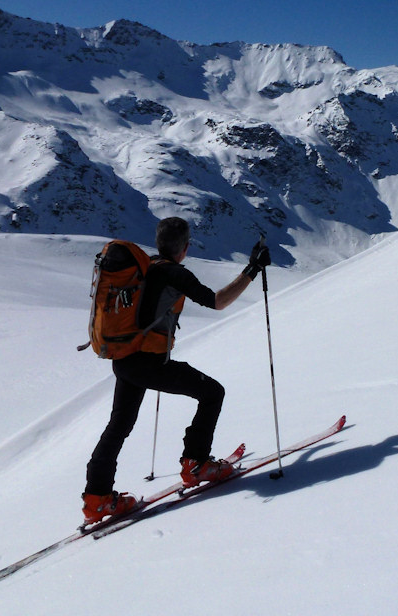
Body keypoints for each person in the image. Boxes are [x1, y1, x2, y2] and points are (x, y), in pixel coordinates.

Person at [81, 217, 271, 524]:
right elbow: (218, 301)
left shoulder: (147, 267)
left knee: (119, 425)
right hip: (149, 364)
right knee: (212, 393)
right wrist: (252, 269)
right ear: (184, 247)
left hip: (124, 358)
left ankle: (96, 499)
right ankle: (197, 464)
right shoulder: (173, 273)